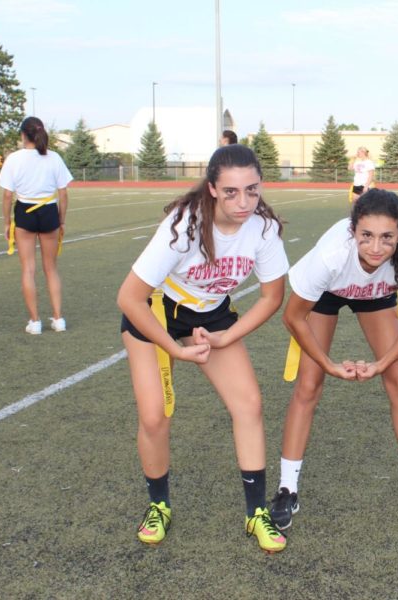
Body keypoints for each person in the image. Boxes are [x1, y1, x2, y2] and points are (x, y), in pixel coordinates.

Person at [117, 144, 289, 553]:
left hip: (212, 316)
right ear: (212, 189)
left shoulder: (263, 228)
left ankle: (255, 513)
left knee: (249, 405)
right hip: (156, 313)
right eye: (231, 192)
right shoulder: (186, 225)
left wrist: (226, 337)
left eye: (252, 189)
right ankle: (159, 505)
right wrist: (174, 351)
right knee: (155, 417)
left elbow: (271, 297)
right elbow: (129, 298)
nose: (244, 201)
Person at [270, 188, 398, 530]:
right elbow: (292, 317)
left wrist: (382, 364)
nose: (376, 247)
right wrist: (328, 364)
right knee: (308, 386)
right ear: (353, 230)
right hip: (327, 294)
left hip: (377, 293)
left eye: (386, 237)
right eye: (366, 236)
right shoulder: (333, 256)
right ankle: (287, 487)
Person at [0, 117, 73, 334]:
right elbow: (63, 193)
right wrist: (62, 220)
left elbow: (6, 195)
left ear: (23, 134)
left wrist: (6, 222)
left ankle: (35, 321)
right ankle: (58, 319)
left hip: (25, 212)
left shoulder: (14, 158)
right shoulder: (54, 157)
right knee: (51, 268)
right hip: (49, 211)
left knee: (28, 269)